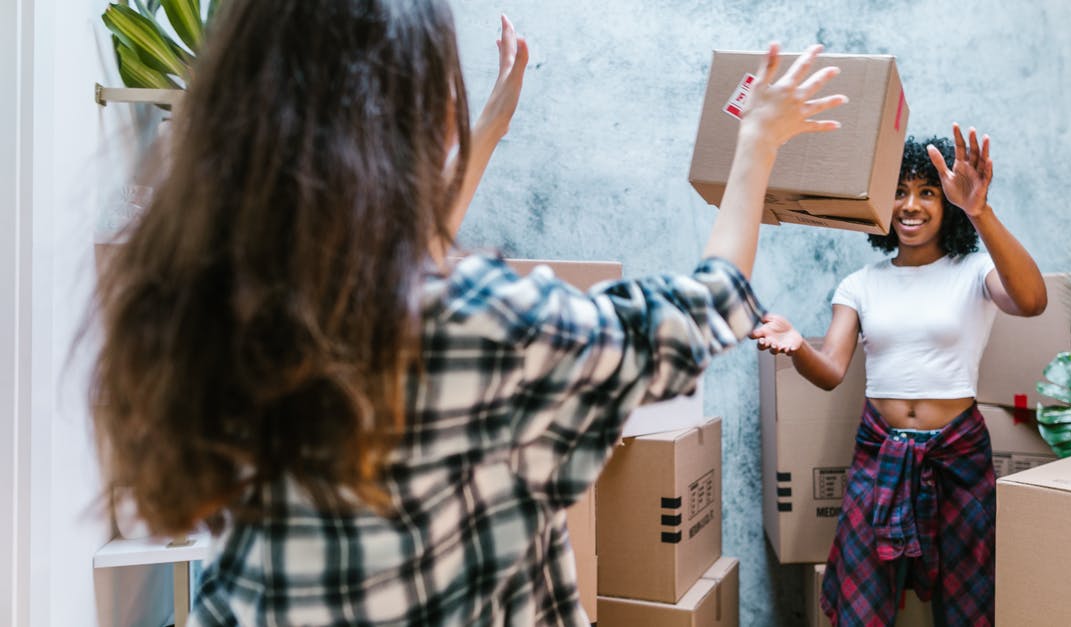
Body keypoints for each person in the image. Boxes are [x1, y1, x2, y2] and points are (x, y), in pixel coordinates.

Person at [88, 1, 848, 624]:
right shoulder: (490, 328)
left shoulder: (215, 308)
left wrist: (486, 135)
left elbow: (390, 270)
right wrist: (756, 143)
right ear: (414, 120)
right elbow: (704, 307)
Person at [752, 126, 1047, 626]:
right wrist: (799, 345)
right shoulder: (861, 284)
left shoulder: (973, 271)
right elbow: (830, 373)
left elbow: (1032, 301)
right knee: (861, 605)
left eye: (927, 192)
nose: (910, 205)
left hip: (958, 454)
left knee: (968, 604)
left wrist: (981, 211)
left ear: (946, 203)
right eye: (898, 191)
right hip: (879, 450)